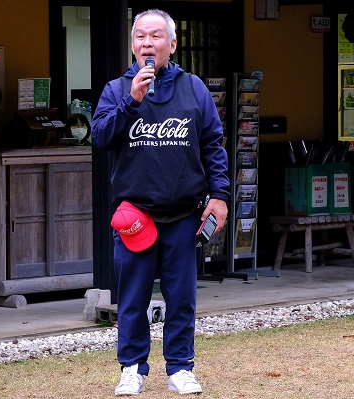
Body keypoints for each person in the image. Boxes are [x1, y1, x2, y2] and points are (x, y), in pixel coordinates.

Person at [92, 9, 230, 396]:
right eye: (139, 37)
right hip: (135, 216)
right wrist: (132, 101)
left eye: (155, 37)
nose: (147, 44)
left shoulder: (194, 88)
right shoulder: (116, 89)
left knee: (181, 297)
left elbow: (213, 146)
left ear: (171, 44)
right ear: (132, 44)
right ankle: (132, 368)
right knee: (132, 299)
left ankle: (181, 368)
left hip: (184, 214)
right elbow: (101, 137)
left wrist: (219, 196)